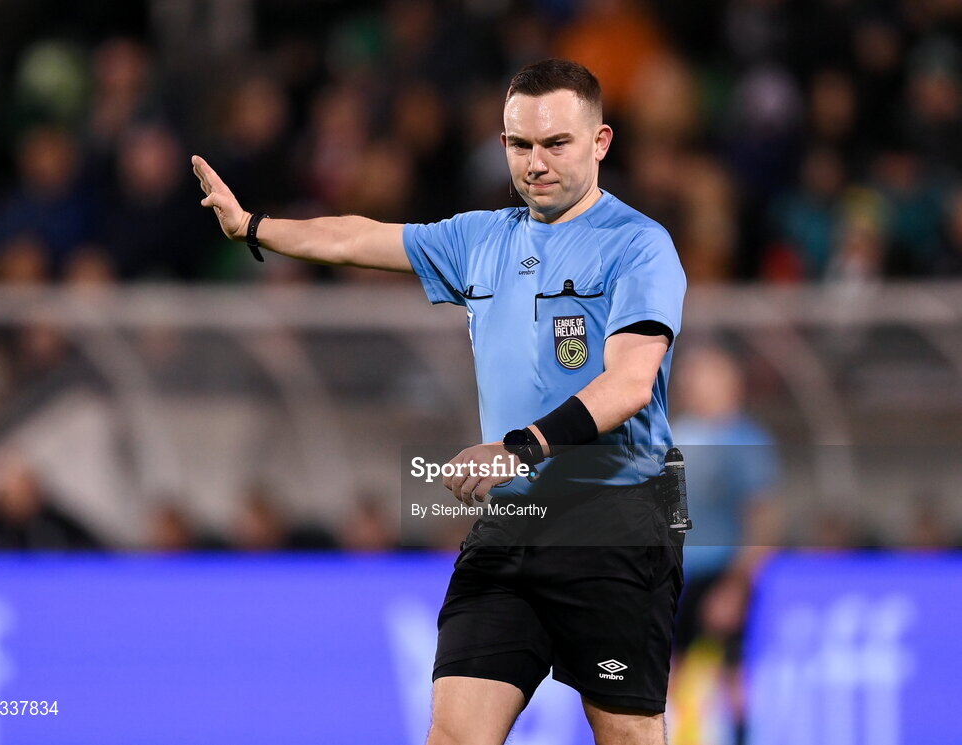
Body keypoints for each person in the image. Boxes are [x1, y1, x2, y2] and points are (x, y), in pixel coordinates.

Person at [193, 59, 686, 745]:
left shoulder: (638, 245)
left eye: (555, 144)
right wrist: (253, 226)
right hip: (511, 521)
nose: (534, 162)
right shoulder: (480, 238)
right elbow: (358, 237)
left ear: (600, 142)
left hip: (615, 522)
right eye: (518, 145)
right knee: (453, 735)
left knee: (629, 735)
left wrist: (521, 448)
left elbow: (631, 382)